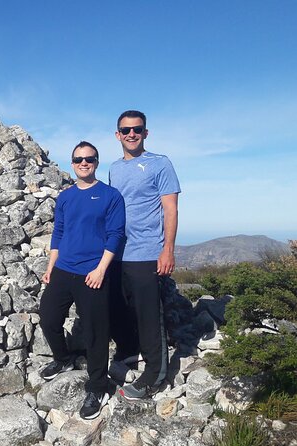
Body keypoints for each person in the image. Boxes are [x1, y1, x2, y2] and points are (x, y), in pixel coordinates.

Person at [39, 141, 125, 419]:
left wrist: (101, 269)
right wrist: (51, 267)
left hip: (93, 271)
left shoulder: (111, 195)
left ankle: (98, 386)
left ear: (97, 162)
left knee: (95, 331)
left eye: (89, 159)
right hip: (63, 268)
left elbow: (115, 234)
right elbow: (59, 232)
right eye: (78, 159)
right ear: (72, 163)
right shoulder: (65, 197)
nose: (84, 163)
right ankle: (63, 360)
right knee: (48, 318)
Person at [108, 110, 181, 400]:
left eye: (137, 129)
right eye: (125, 130)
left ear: (145, 133)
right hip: (119, 252)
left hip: (147, 250)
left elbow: (171, 209)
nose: (131, 134)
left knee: (150, 315)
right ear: (118, 135)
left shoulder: (159, 164)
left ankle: (155, 376)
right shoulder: (114, 168)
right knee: (122, 307)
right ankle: (129, 351)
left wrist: (168, 250)